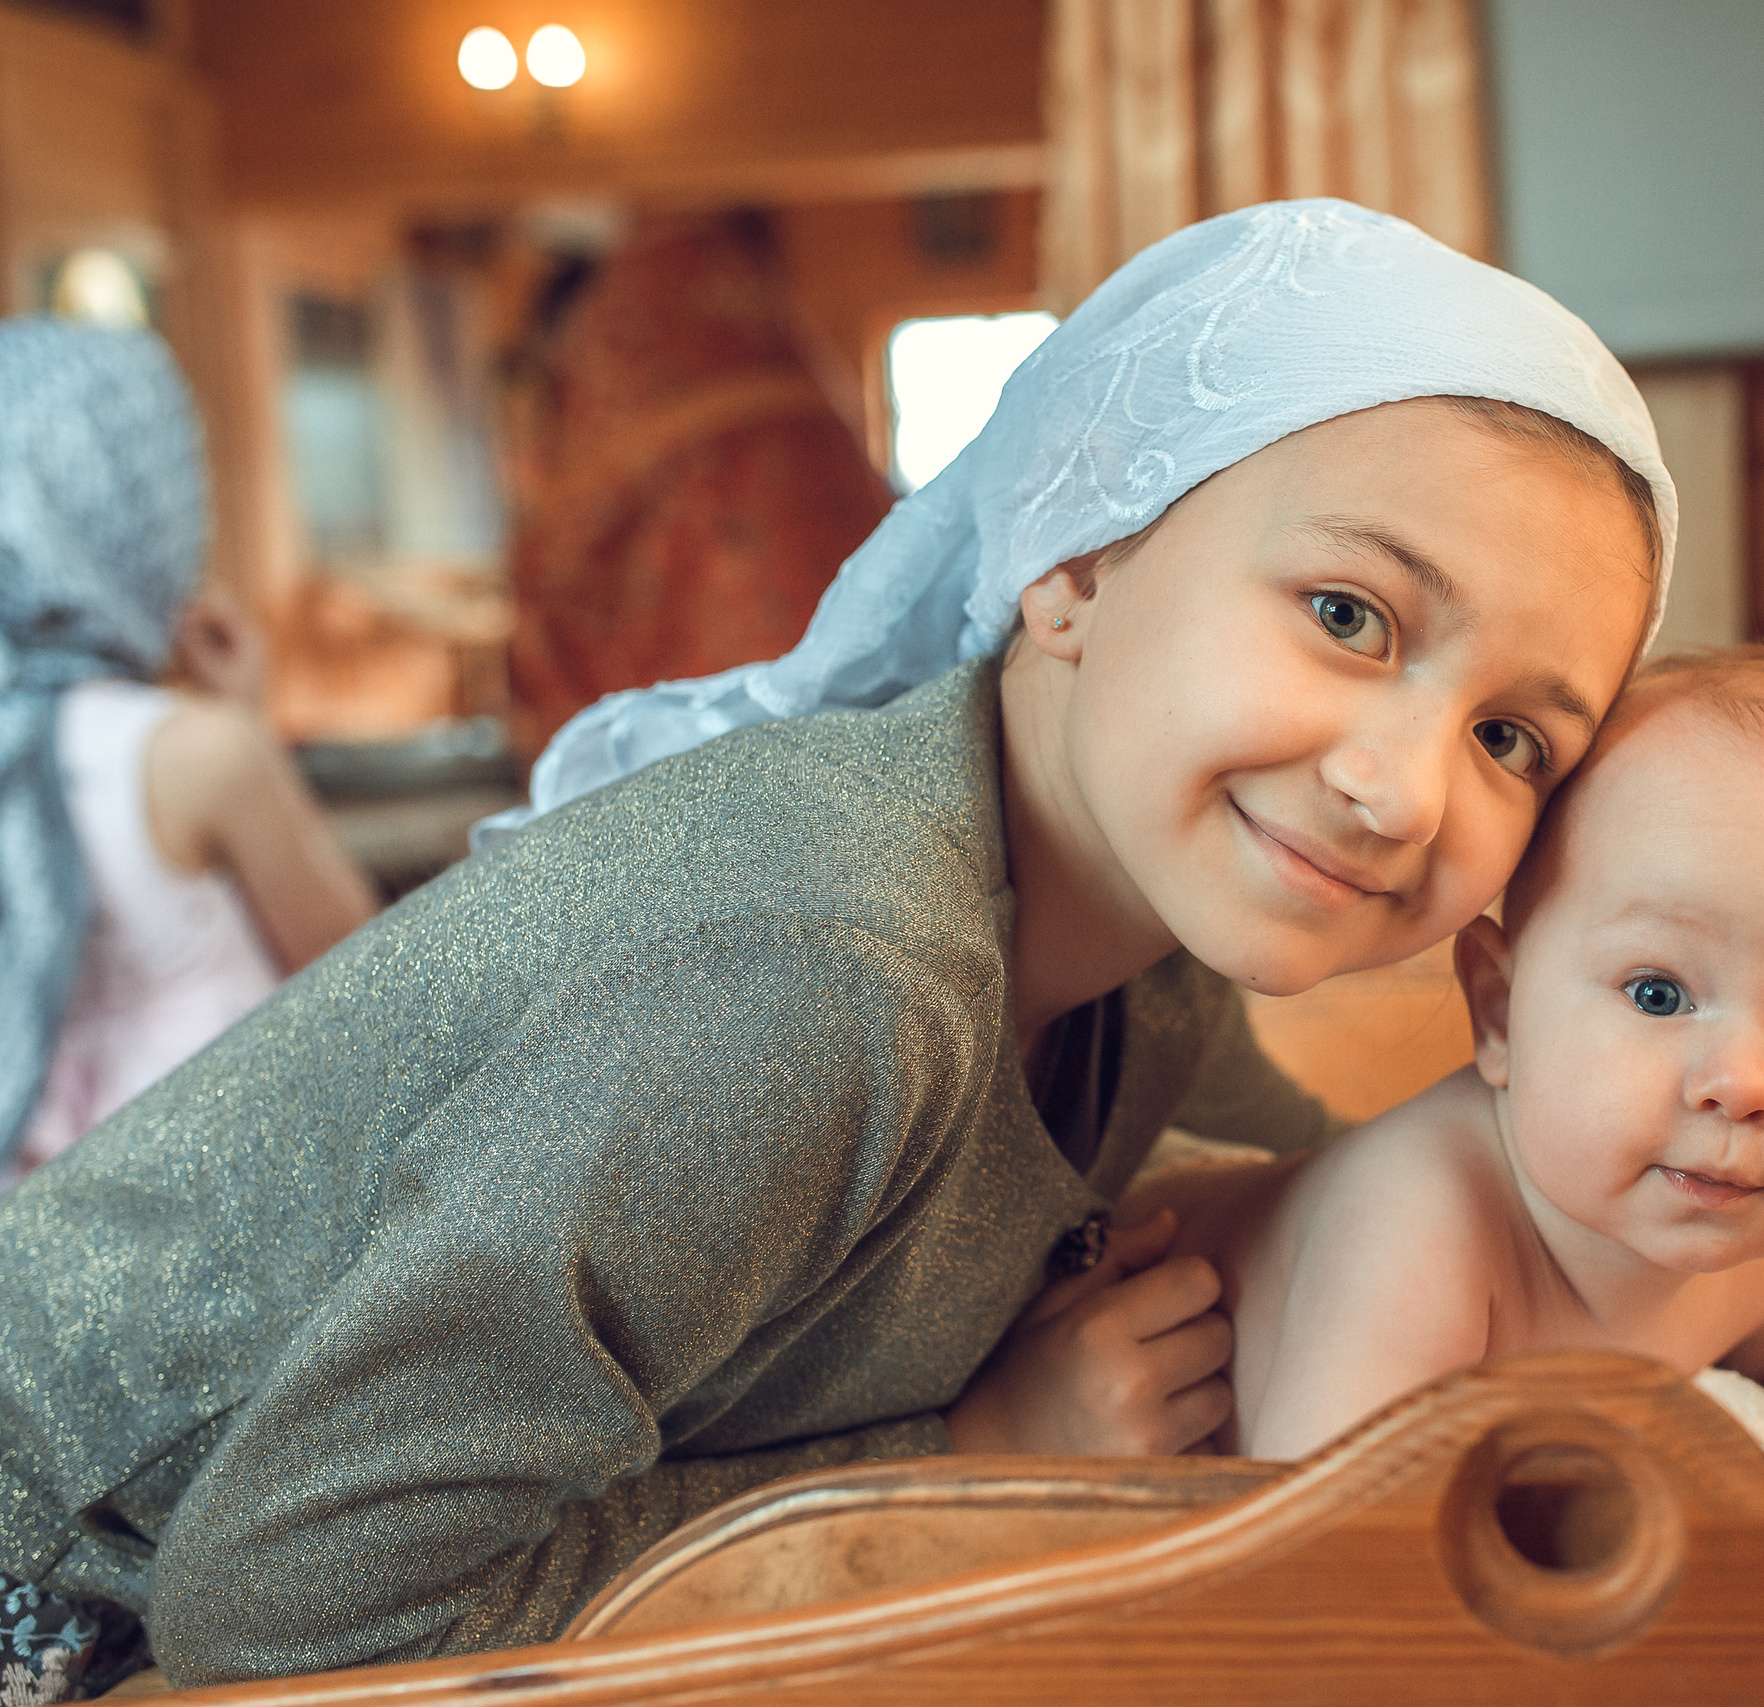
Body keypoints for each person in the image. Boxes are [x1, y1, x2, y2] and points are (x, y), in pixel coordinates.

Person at [0, 201, 1675, 1697]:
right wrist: (965, 1461)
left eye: (1517, 738)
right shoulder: (827, 971)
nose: (1401, 791)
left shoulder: (1140, 958)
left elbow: (1359, 1195)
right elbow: (290, 1605)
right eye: (1346, 614)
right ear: (1079, 563)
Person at [1113, 650, 1764, 1459]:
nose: (1741, 1087)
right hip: (1097, 1333)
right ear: (1500, 1012)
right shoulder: (1424, 1225)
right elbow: (1330, 1541)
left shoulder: (1763, 1241)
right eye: (1658, 994)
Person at [0, 320, 376, 1197]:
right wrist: (245, 721)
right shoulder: (197, 755)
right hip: (219, 1267)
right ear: (142, 508)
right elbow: (373, 986)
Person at [502, 212, 898, 756]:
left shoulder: (612, 349)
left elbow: (559, 577)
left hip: (723, 722)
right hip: (875, 705)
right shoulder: (762, 329)